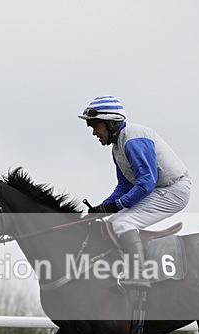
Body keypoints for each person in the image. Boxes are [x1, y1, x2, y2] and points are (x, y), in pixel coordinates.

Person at [79, 95, 191, 289]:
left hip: (174, 190)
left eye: (96, 126)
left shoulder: (133, 139)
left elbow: (147, 182)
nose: (94, 132)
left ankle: (138, 274)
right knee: (113, 222)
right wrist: (103, 207)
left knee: (123, 221)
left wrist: (117, 205)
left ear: (112, 123)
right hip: (160, 189)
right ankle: (124, 267)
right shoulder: (117, 147)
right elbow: (124, 187)